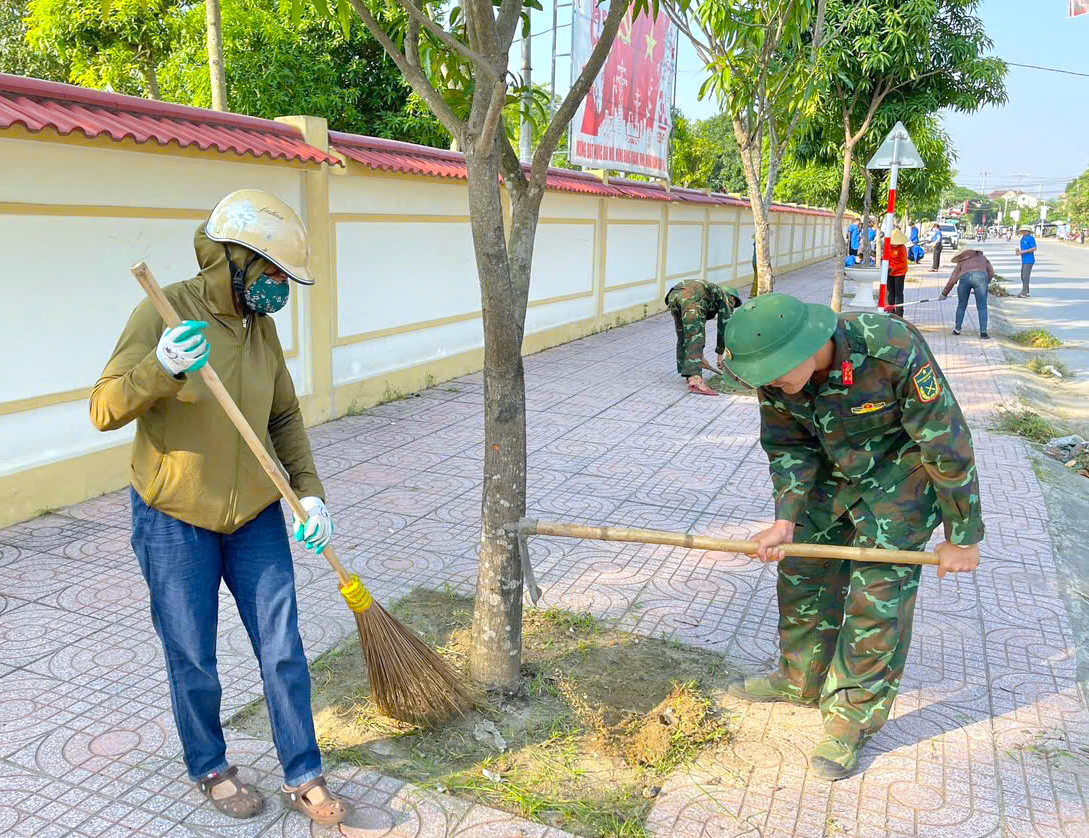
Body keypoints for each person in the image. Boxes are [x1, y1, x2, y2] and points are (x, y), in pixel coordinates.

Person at [89, 190, 350, 826]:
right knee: (193, 654)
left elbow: (283, 416)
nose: (278, 288)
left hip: (255, 515)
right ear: (232, 260)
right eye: (271, 273)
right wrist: (162, 367)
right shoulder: (163, 311)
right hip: (174, 517)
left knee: (282, 646)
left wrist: (309, 492)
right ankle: (209, 765)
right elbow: (103, 407)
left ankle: (303, 771)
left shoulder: (261, 330)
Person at [722, 294, 983, 780]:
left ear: (807, 344)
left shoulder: (890, 347)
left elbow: (944, 439)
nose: (772, 383)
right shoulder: (776, 374)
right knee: (801, 576)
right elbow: (788, 445)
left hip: (900, 483)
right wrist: (786, 518)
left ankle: (849, 720)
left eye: (776, 373)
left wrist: (963, 535)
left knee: (875, 603)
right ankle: (800, 679)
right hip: (829, 482)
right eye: (765, 378)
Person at [666, 278, 740, 395]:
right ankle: (696, 380)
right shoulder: (726, 297)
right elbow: (724, 326)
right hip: (691, 296)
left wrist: (700, 358)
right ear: (733, 298)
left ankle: (688, 372)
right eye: (734, 304)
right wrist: (720, 355)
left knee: (684, 335)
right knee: (695, 336)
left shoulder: (712, 295)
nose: (732, 306)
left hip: (674, 295)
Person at [941, 248, 994, 338]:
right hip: (981, 279)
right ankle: (983, 333)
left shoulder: (961, 262)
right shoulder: (983, 258)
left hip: (964, 280)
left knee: (961, 305)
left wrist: (944, 293)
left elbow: (953, 279)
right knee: (982, 307)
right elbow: (991, 273)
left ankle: (957, 330)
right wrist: (984, 283)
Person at [886, 229, 909, 317]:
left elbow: (903, 263)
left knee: (898, 294)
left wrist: (893, 268)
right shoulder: (888, 247)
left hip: (899, 273)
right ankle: (891, 311)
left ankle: (899, 313)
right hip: (890, 272)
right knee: (890, 292)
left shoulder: (902, 248)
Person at [1016, 225, 1037, 297]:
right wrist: (1019, 251)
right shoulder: (1022, 239)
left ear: (1028, 232)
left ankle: (1024, 292)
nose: (1024, 232)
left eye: (1025, 231)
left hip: (1029, 260)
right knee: (1023, 276)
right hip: (1024, 259)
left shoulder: (1031, 238)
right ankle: (1026, 291)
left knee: (1025, 276)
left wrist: (1023, 252)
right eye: (1023, 231)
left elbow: (1034, 248)